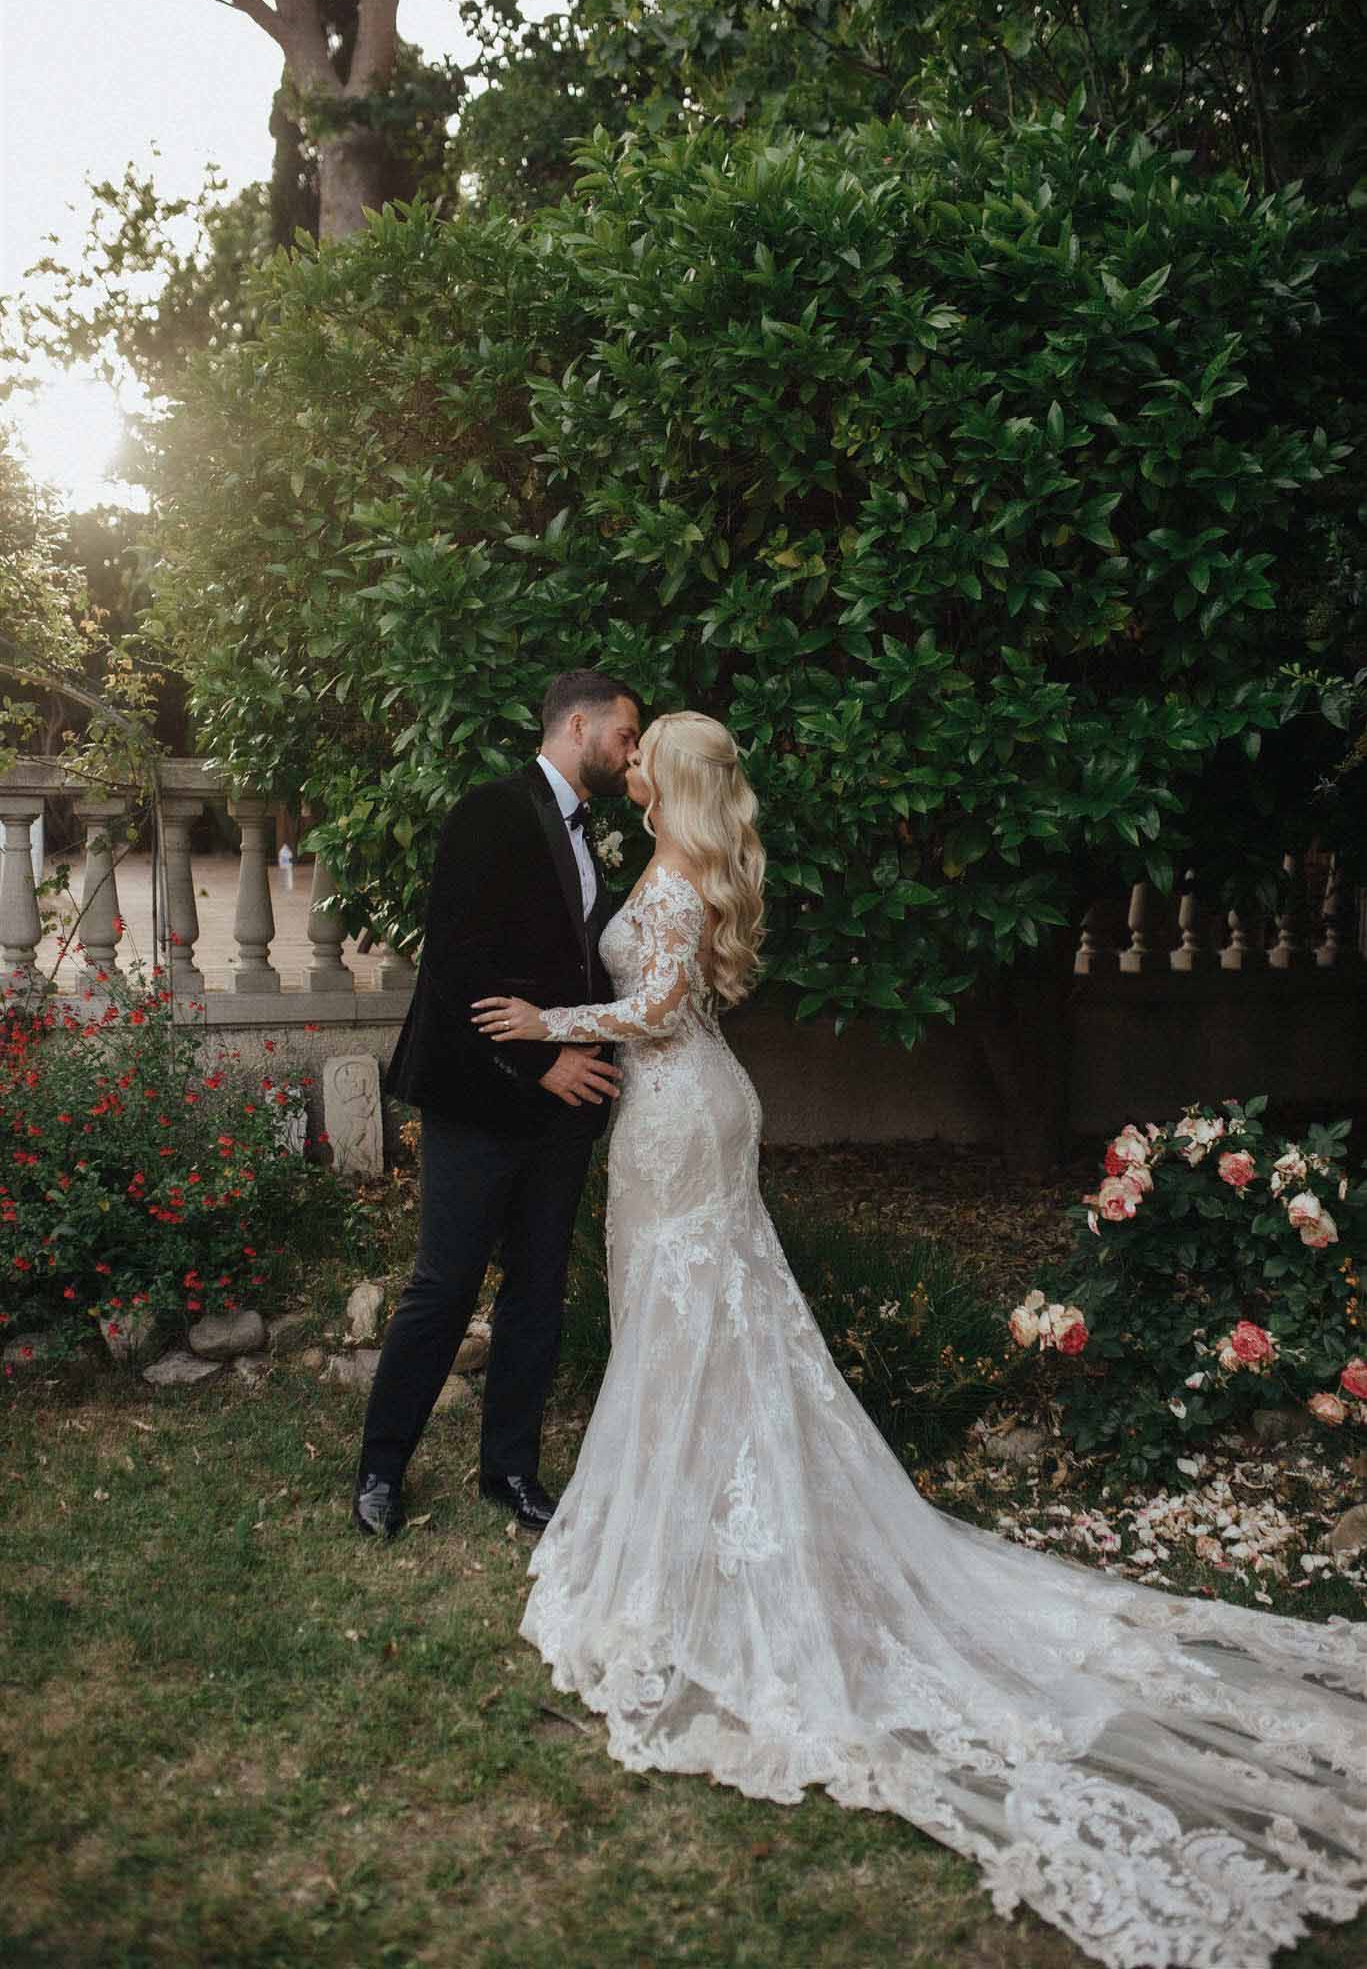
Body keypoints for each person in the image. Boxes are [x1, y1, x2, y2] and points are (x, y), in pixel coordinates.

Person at [472, 709, 1367, 1969]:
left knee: (689, 1314)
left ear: (666, 780)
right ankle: (706, 1510)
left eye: (641, 755)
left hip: (675, 1113)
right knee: (705, 1318)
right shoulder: (685, 865)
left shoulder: (671, 885)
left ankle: (698, 1538)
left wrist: (547, 1021)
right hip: (700, 1116)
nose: (626, 764)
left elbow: (661, 1007)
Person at [351, 670, 641, 1540]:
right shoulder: (490, 810)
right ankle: (379, 1470)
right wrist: (544, 1063)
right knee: (442, 1287)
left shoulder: (599, 833)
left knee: (538, 1294)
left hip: (568, 1111)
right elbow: (461, 966)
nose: (630, 754)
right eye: (625, 735)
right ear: (578, 725)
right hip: (484, 1096)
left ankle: (510, 1469)